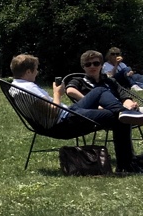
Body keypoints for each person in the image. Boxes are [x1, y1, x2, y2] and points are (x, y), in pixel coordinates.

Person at [9, 53, 143, 172]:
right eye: (36, 70)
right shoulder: (28, 88)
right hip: (64, 123)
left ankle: (125, 112)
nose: (37, 73)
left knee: (99, 91)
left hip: (67, 114)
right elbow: (54, 111)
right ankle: (126, 165)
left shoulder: (16, 86)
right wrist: (57, 94)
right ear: (28, 72)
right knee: (116, 118)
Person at [63, 49, 141, 113]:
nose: (92, 66)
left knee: (129, 112)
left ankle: (126, 112)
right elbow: (70, 90)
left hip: (121, 109)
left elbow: (124, 97)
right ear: (83, 67)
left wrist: (130, 105)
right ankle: (125, 113)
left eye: (96, 63)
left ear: (101, 65)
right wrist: (92, 103)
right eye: (88, 64)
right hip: (100, 113)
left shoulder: (110, 81)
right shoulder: (79, 80)